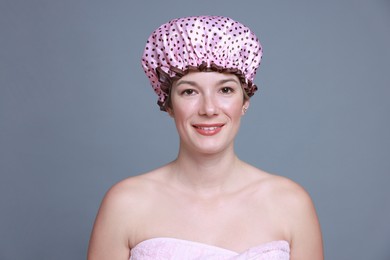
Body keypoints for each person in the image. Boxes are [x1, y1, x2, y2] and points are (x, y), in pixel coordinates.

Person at [87, 15, 323, 260]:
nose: (209, 109)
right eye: (189, 91)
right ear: (168, 105)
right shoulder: (126, 204)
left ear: (244, 102)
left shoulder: (291, 204)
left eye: (225, 90)